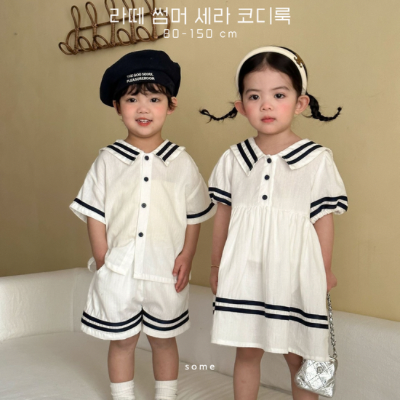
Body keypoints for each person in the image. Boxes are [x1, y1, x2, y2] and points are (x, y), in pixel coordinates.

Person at [201, 46, 348, 400]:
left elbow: (323, 220)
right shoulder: (234, 159)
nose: (266, 105)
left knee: (299, 353)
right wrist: (216, 265)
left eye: (279, 95)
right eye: (255, 96)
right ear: (241, 106)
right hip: (245, 271)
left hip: (294, 272)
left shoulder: (316, 160)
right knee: (247, 351)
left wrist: (324, 269)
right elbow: (223, 216)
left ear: (300, 103)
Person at [70, 50, 215, 400]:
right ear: (117, 107)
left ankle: (167, 396)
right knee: (122, 341)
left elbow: (194, 214)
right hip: (119, 269)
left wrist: (187, 255)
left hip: (166, 269)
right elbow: (95, 213)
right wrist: (102, 258)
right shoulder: (108, 161)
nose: (143, 108)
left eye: (154, 98)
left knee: (164, 340)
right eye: (132, 99)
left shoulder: (180, 162)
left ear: (171, 105)